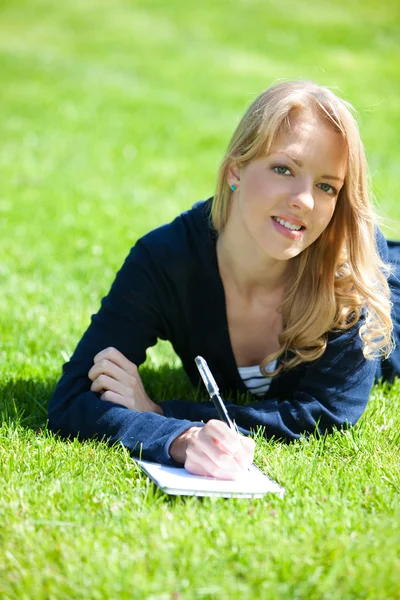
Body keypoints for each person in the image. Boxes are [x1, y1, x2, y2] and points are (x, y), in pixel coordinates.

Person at [48, 81, 400, 480]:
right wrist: (177, 438)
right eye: (283, 169)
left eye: (326, 186)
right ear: (236, 169)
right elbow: (73, 396)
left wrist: (162, 411)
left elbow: (326, 414)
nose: (304, 200)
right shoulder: (166, 260)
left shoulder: (354, 269)